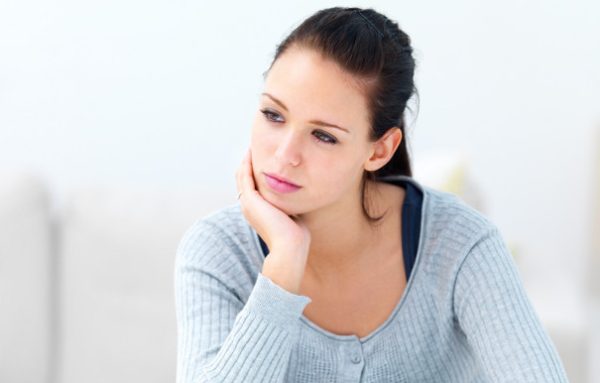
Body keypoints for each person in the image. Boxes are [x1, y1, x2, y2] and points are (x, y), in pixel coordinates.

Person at [174, 6, 569, 382]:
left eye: (324, 136)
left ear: (379, 150)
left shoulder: (461, 246)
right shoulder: (216, 251)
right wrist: (282, 267)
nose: (284, 155)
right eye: (273, 115)